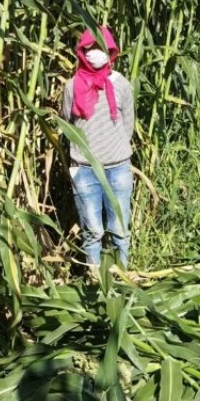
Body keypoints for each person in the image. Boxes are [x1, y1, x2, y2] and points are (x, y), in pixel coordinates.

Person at [62, 25, 135, 269]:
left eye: (101, 47)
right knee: (92, 231)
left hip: (118, 168)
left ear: (110, 51)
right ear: (82, 51)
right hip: (84, 170)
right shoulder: (72, 86)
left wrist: (116, 149)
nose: (95, 52)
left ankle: (122, 277)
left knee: (120, 229)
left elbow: (128, 123)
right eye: (90, 47)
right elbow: (67, 124)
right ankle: (96, 280)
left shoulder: (120, 84)